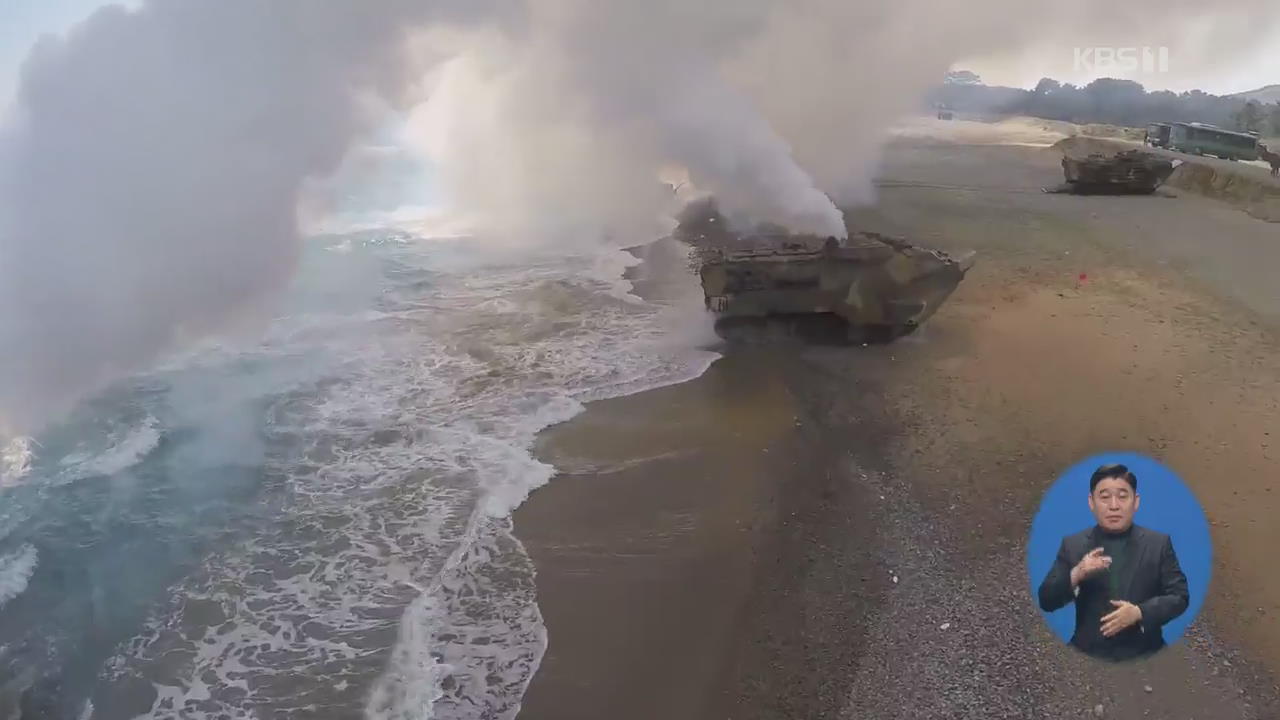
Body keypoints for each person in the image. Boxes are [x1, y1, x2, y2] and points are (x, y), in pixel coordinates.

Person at [1037, 463, 1189, 661]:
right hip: (1085, 655)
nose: (1114, 505)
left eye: (1123, 496)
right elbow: (1046, 600)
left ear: (1136, 502)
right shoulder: (1072, 545)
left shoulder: (1158, 544)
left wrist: (1139, 612)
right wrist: (1077, 573)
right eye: (1105, 497)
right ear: (1091, 502)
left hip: (1147, 655)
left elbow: (1179, 597)